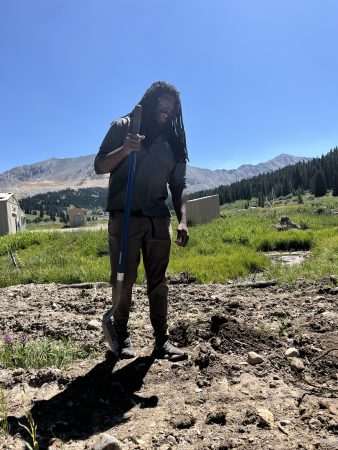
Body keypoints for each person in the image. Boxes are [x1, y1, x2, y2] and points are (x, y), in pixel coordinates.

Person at [94, 81, 189, 361]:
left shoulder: (174, 141)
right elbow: (100, 166)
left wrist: (183, 219)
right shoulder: (124, 127)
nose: (166, 112)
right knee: (123, 279)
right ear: (150, 103)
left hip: (158, 220)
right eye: (161, 107)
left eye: (170, 110)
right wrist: (124, 150)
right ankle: (120, 336)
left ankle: (162, 341)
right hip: (125, 218)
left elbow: (179, 184)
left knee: (158, 282)